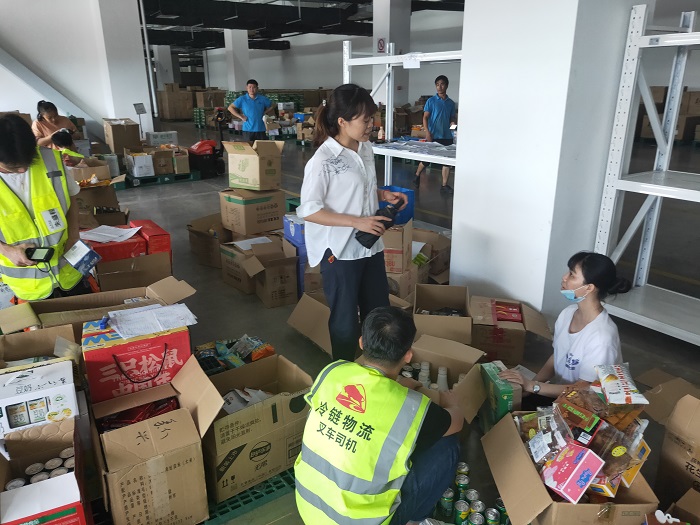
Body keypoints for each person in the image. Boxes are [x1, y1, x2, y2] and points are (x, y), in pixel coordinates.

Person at [295, 306, 463, 525]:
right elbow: (456, 422)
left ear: (361, 343)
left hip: (309, 508)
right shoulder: (412, 407)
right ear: (408, 356)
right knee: (447, 445)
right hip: (363, 522)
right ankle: (414, 520)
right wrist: (452, 403)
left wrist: (399, 387)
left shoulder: (332, 372)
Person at [296, 84, 408, 362]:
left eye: (372, 118)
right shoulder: (323, 160)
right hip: (340, 252)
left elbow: (358, 187)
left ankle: (376, 369)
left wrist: (382, 194)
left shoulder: (365, 148)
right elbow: (308, 210)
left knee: (378, 315)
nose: (371, 125)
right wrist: (356, 222)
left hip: (370, 247)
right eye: (365, 120)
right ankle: (343, 370)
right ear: (342, 121)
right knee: (345, 322)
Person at [499, 251, 632, 408]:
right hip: (564, 395)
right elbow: (557, 356)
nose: (564, 277)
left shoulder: (602, 337)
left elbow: (584, 389)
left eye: (572, 275)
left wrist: (533, 387)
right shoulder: (568, 313)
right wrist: (531, 386)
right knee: (508, 401)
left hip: (588, 406)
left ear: (589, 288)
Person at [0, 113, 87, 301]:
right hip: (29, 284)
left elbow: (71, 198)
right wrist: (6, 250)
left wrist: (74, 236)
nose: (23, 170)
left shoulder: (51, 159)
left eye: (27, 162)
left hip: (69, 269)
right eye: (13, 167)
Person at [414, 75, 457, 194]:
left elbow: (452, 118)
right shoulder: (431, 101)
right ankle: (417, 175)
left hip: (447, 136)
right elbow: (425, 117)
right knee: (427, 160)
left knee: (446, 161)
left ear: (446, 86)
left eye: (442, 84)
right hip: (433, 135)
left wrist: (453, 128)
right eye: (437, 84)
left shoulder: (451, 103)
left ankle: (444, 185)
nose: (439, 87)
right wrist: (427, 132)